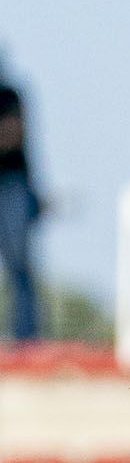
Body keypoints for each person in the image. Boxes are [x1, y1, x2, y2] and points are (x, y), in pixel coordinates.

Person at [0, 67, 40, 341]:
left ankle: (27, 339)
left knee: (19, 267)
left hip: (12, 185)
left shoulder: (9, 95)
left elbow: (15, 134)